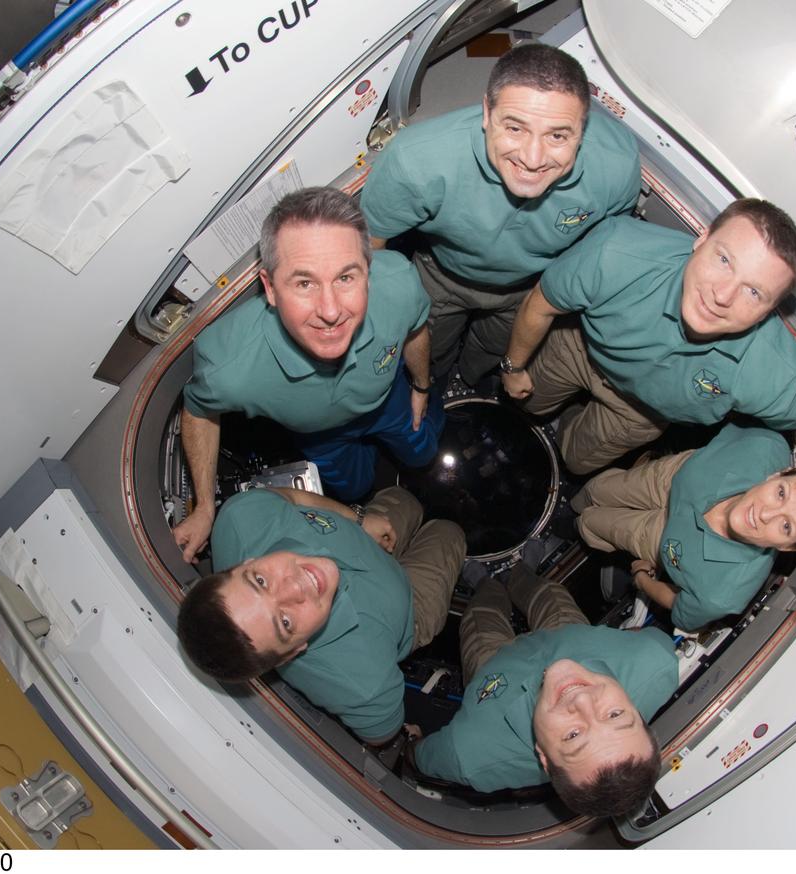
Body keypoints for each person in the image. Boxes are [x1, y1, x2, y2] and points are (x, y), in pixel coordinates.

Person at [173, 186, 442, 563]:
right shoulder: (230, 367)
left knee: (423, 449)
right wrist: (204, 506)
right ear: (269, 288)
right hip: (322, 439)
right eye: (304, 283)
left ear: (369, 271)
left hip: (390, 401)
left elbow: (415, 329)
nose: (330, 311)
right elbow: (199, 411)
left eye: (346, 278)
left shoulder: (396, 282)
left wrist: (421, 384)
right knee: (355, 486)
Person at [361, 42, 640, 386]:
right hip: (441, 277)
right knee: (431, 352)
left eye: (557, 135)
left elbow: (607, 244)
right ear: (486, 113)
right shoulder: (416, 159)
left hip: (528, 289)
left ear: (583, 131)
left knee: (492, 352)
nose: (533, 158)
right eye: (515, 128)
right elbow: (369, 248)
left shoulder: (617, 163)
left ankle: (474, 381)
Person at [501, 198, 796, 475]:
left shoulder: (772, 375)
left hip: (641, 413)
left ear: (769, 312)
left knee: (576, 461)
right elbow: (539, 303)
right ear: (702, 238)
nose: (723, 295)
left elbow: (789, 424)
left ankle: (570, 423)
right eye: (724, 260)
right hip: (580, 348)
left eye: (754, 292)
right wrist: (513, 368)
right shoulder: (617, 252)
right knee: (529, 406)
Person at [177, 485, 465, 744]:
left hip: (367, 533)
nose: (296, 586)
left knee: (405, 498)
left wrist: (359, 519)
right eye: (285, 623)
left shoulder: (242, 518)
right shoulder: (363, 684)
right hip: (414, 608)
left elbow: (287, 496)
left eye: (260, 581)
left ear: (245, 563)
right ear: (292, 653)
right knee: (450, 532)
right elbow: (382, 734)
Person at [409, 563, 675, 817]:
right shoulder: (656, 661)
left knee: (482, 617)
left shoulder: (472, 755)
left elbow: (421, 757)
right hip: (566, 633)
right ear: (637, 713)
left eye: (573, 734)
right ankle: (518, 572)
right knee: (548, 594)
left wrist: (413, 742)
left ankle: (486, 583)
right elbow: (650, 639)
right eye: (615, 715)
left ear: (543, 759)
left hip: (491, 666)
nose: (582, 699)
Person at [573, 422, 796, 630]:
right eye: (781, 493)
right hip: (674, 478)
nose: (766, 514)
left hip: (658, 540)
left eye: (786, 526)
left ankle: (574, 523)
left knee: (592, 523)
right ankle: (575, 501)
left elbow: (679, 606)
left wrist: (642, 579)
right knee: (598, 488)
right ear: (779, 473)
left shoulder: (723, 593)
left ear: (788, 546)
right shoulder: (764, 445)